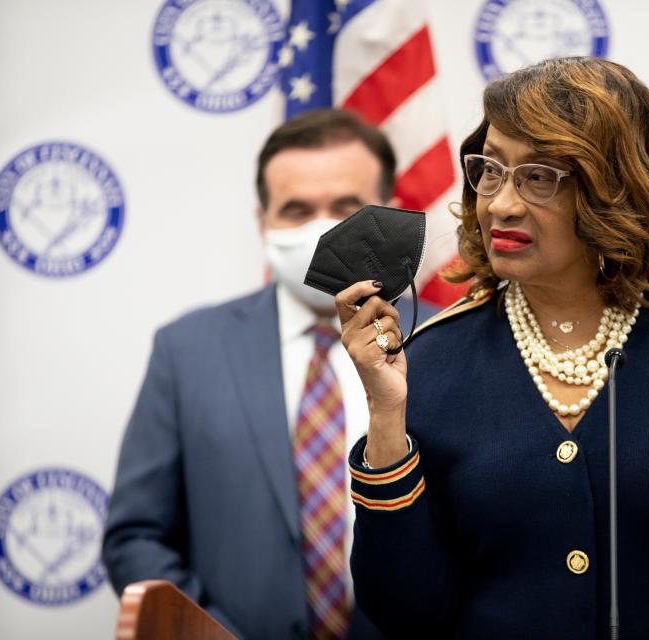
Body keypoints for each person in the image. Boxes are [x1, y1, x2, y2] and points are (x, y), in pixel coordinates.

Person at [335, 58, 649, 640]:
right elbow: (403, 611)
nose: (500, 203)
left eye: (539, 176)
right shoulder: (433, 355)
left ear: (617, 187)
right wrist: (385, 416)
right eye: (492, 170)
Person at [103, 108, 432, 640]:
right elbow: (136, 536)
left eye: (346, 207)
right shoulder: (187, 350)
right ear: (263, 223)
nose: (320, 228)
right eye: (296, 210)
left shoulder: (448, 342)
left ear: (389, 212)